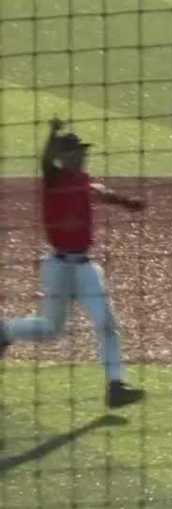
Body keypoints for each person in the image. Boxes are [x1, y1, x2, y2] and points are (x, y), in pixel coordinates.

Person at [0, 118, 146, 408]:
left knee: (106, 323)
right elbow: (45, 163)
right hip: (57, 267)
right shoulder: (53, 180)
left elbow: (102, 193)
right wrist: (52, 135)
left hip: (85, 268)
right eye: (76, 152)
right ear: (64, 157)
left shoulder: (85, 182)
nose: (82, 155)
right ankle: (4, 331)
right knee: (51, 329)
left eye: (82, 151)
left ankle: (116, 385)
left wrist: (126, 202)